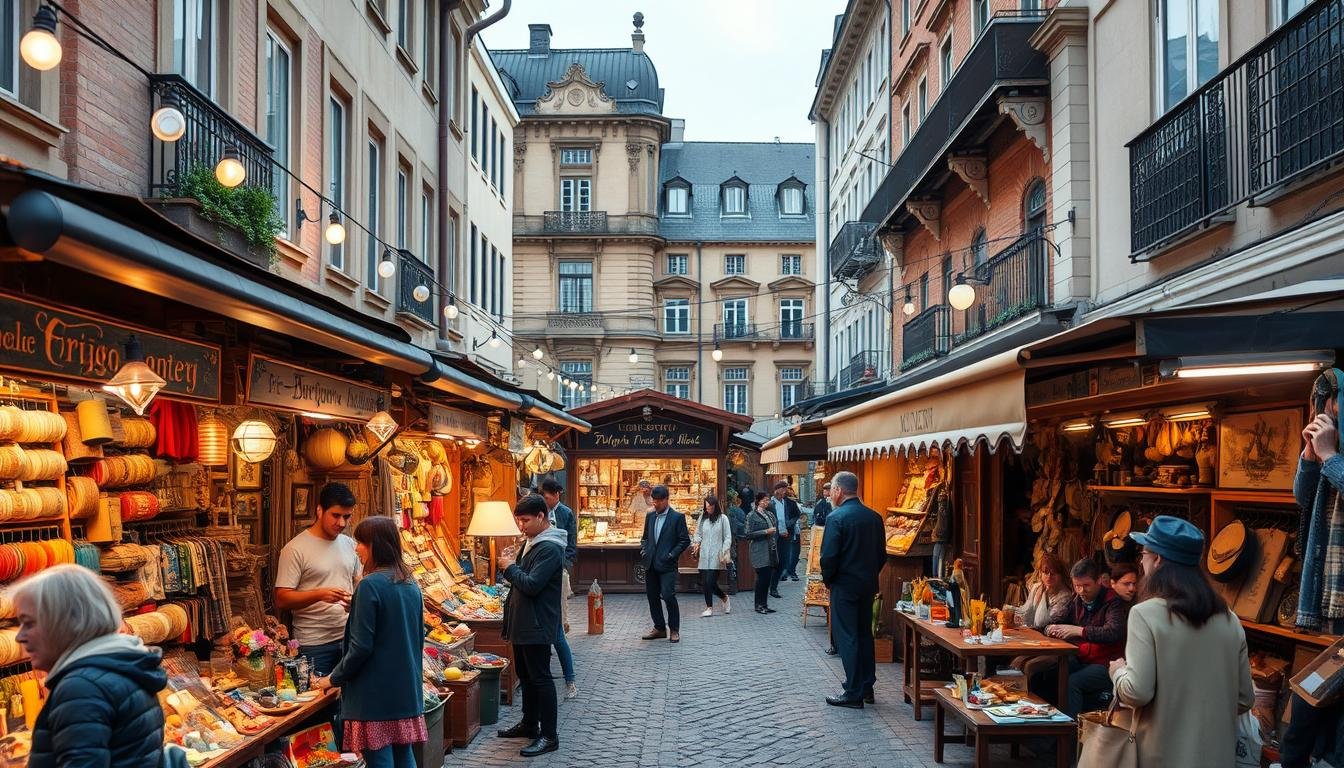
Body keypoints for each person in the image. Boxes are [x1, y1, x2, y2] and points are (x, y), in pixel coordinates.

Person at [1108, 515, 1254, 767]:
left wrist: (1118, 672)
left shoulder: (1145, 614)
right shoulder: (1229, 620)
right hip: (1218, 758)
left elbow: (1137, 691)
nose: (1141, 561)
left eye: (1144, 553)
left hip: (1161, 756)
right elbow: (1244, 698)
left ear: (1158, 560)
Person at [14, 564, 167, 768]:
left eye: (30, 623)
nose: (19, 636)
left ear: (64, 625)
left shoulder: (82, 687)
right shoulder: (121, 667)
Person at [316, 517, 425, 768]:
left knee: (380, 759)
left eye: (361, 543)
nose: (357, 549)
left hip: (375, 694)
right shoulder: (410, 581)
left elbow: (361, 647)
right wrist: (357, 609)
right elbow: (408, 631)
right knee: (403, 753)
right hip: (405, 689)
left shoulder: (369, 585)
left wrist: (333, 678)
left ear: (375, 545)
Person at [1282, 369, 1344, 768]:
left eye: (1334, 411)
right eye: (1323, 411)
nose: (1328, 418)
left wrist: (1330, 456)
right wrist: (1309, 455)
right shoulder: (1327, 448)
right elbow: (1303, 498)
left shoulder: (1334, 451)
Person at [495, 494, 567, 757]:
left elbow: (532, 585)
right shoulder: (533, 543)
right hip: (525, 622)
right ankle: (530, 724)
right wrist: (512, 567)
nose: (521, 526)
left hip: (536, 623)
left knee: (541, 679)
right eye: (518, 520)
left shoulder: (549, 548)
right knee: (527, 677)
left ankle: (549, 735)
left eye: (525, 520)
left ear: (540, 516)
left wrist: (510, 567)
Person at [275, 482, 361, 676]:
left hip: (348, 637)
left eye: (346, 517)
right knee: (318, 702)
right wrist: (319, 595)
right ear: (320, 510)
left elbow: (357, 582)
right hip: (313, 643)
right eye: (336, 515)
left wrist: (354, 601)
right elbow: (281, 599)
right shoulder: (295, 549)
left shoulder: (349, 544)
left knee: (348, 702)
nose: (341, 523)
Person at [819, 471, 886, 708]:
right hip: (867, 585)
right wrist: (869, 575)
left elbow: (828, 557)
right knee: (864, 634)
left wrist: (829, 580)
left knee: (847, 636)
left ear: (838, 490)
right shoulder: (874, 518)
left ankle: (854, 691)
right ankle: (867, 686)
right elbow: (881, 555)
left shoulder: (836, 518)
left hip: (844, 586)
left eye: (832, 491)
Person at [1038, 557, 1128, 717]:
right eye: (1077, 586)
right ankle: (1045, 727)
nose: (1081, 591)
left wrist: (1079, 631)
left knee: (1073, 682)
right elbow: (1061, 620)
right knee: (1046, 672)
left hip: (1107, 665)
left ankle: (1069, 735)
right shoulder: (1077, 599)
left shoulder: (1113, 602)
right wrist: (1052, 627)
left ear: (1099, 581)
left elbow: (1113, 632)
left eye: (1086, 585)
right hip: (1082, 658)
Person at [539, 477, 578, 700]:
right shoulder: (539, 513)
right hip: (546, 573)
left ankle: (569, 679)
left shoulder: (565, 513)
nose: (545, 500)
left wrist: (565, 563)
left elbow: (571, 541)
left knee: (557, 630)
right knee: (554, 631)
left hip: (558, 572)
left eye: (546, 497)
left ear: (557, 495)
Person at [639, 485, 691, 642]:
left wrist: (672, 555)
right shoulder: (650, 516)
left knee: (668, 596)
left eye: (658, 501)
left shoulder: (677, 517)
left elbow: (684, 540)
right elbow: (645, 538)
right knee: (652, 596)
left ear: (667, 500)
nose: (655, 504)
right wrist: (644, 550)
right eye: (653, 501)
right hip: (651, 563)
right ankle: (659, 628)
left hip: (667, 564)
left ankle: (674, 629)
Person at [691, 496, 734, 617]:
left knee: (710, 581)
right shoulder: (703, 518)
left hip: (717, 555)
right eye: (706, 506)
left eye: (710, 507)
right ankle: (721, 599)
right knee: (706, 583)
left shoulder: (723, 519)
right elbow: (698, 533)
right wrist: (696, 543)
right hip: (704, 555)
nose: (708, 509)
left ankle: (712, 605)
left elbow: (727, 537)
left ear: (715, 506)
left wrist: (725, 550)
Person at [1010, 553, 1073, 630]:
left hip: (1052, 636)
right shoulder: (1037, 587)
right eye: (1045, 572)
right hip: (1034, 632)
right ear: (1040, 573)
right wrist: (1009, 610)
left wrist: (1043, 597)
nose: (1049, 576)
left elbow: (1042, 622)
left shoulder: (1064, 596)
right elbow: (1026, 611)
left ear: (1061, 575)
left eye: (1053, 573)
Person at [744, 493, 779, 614]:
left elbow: (775, 527)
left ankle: (764, 604)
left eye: (768, 500)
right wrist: (765, 531)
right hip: (759, 550)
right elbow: (748, 534)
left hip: (770, 549)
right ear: (758, 501)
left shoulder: (769, 514)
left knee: (767, 578)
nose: (766, 502)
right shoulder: (752, 515)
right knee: (761, 578)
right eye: (764, 500)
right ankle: (758, 605)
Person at [769, 481, 802, 595]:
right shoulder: (769, 503)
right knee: (772, 561)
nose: (784, 491)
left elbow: (797, 514)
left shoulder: (789, 502)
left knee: (784, 561)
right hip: (773, 537)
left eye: (785, 489)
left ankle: (774, 585)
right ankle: (772, 587)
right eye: (782, 489)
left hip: (786, 536)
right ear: (776, 489)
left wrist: (789, 523)